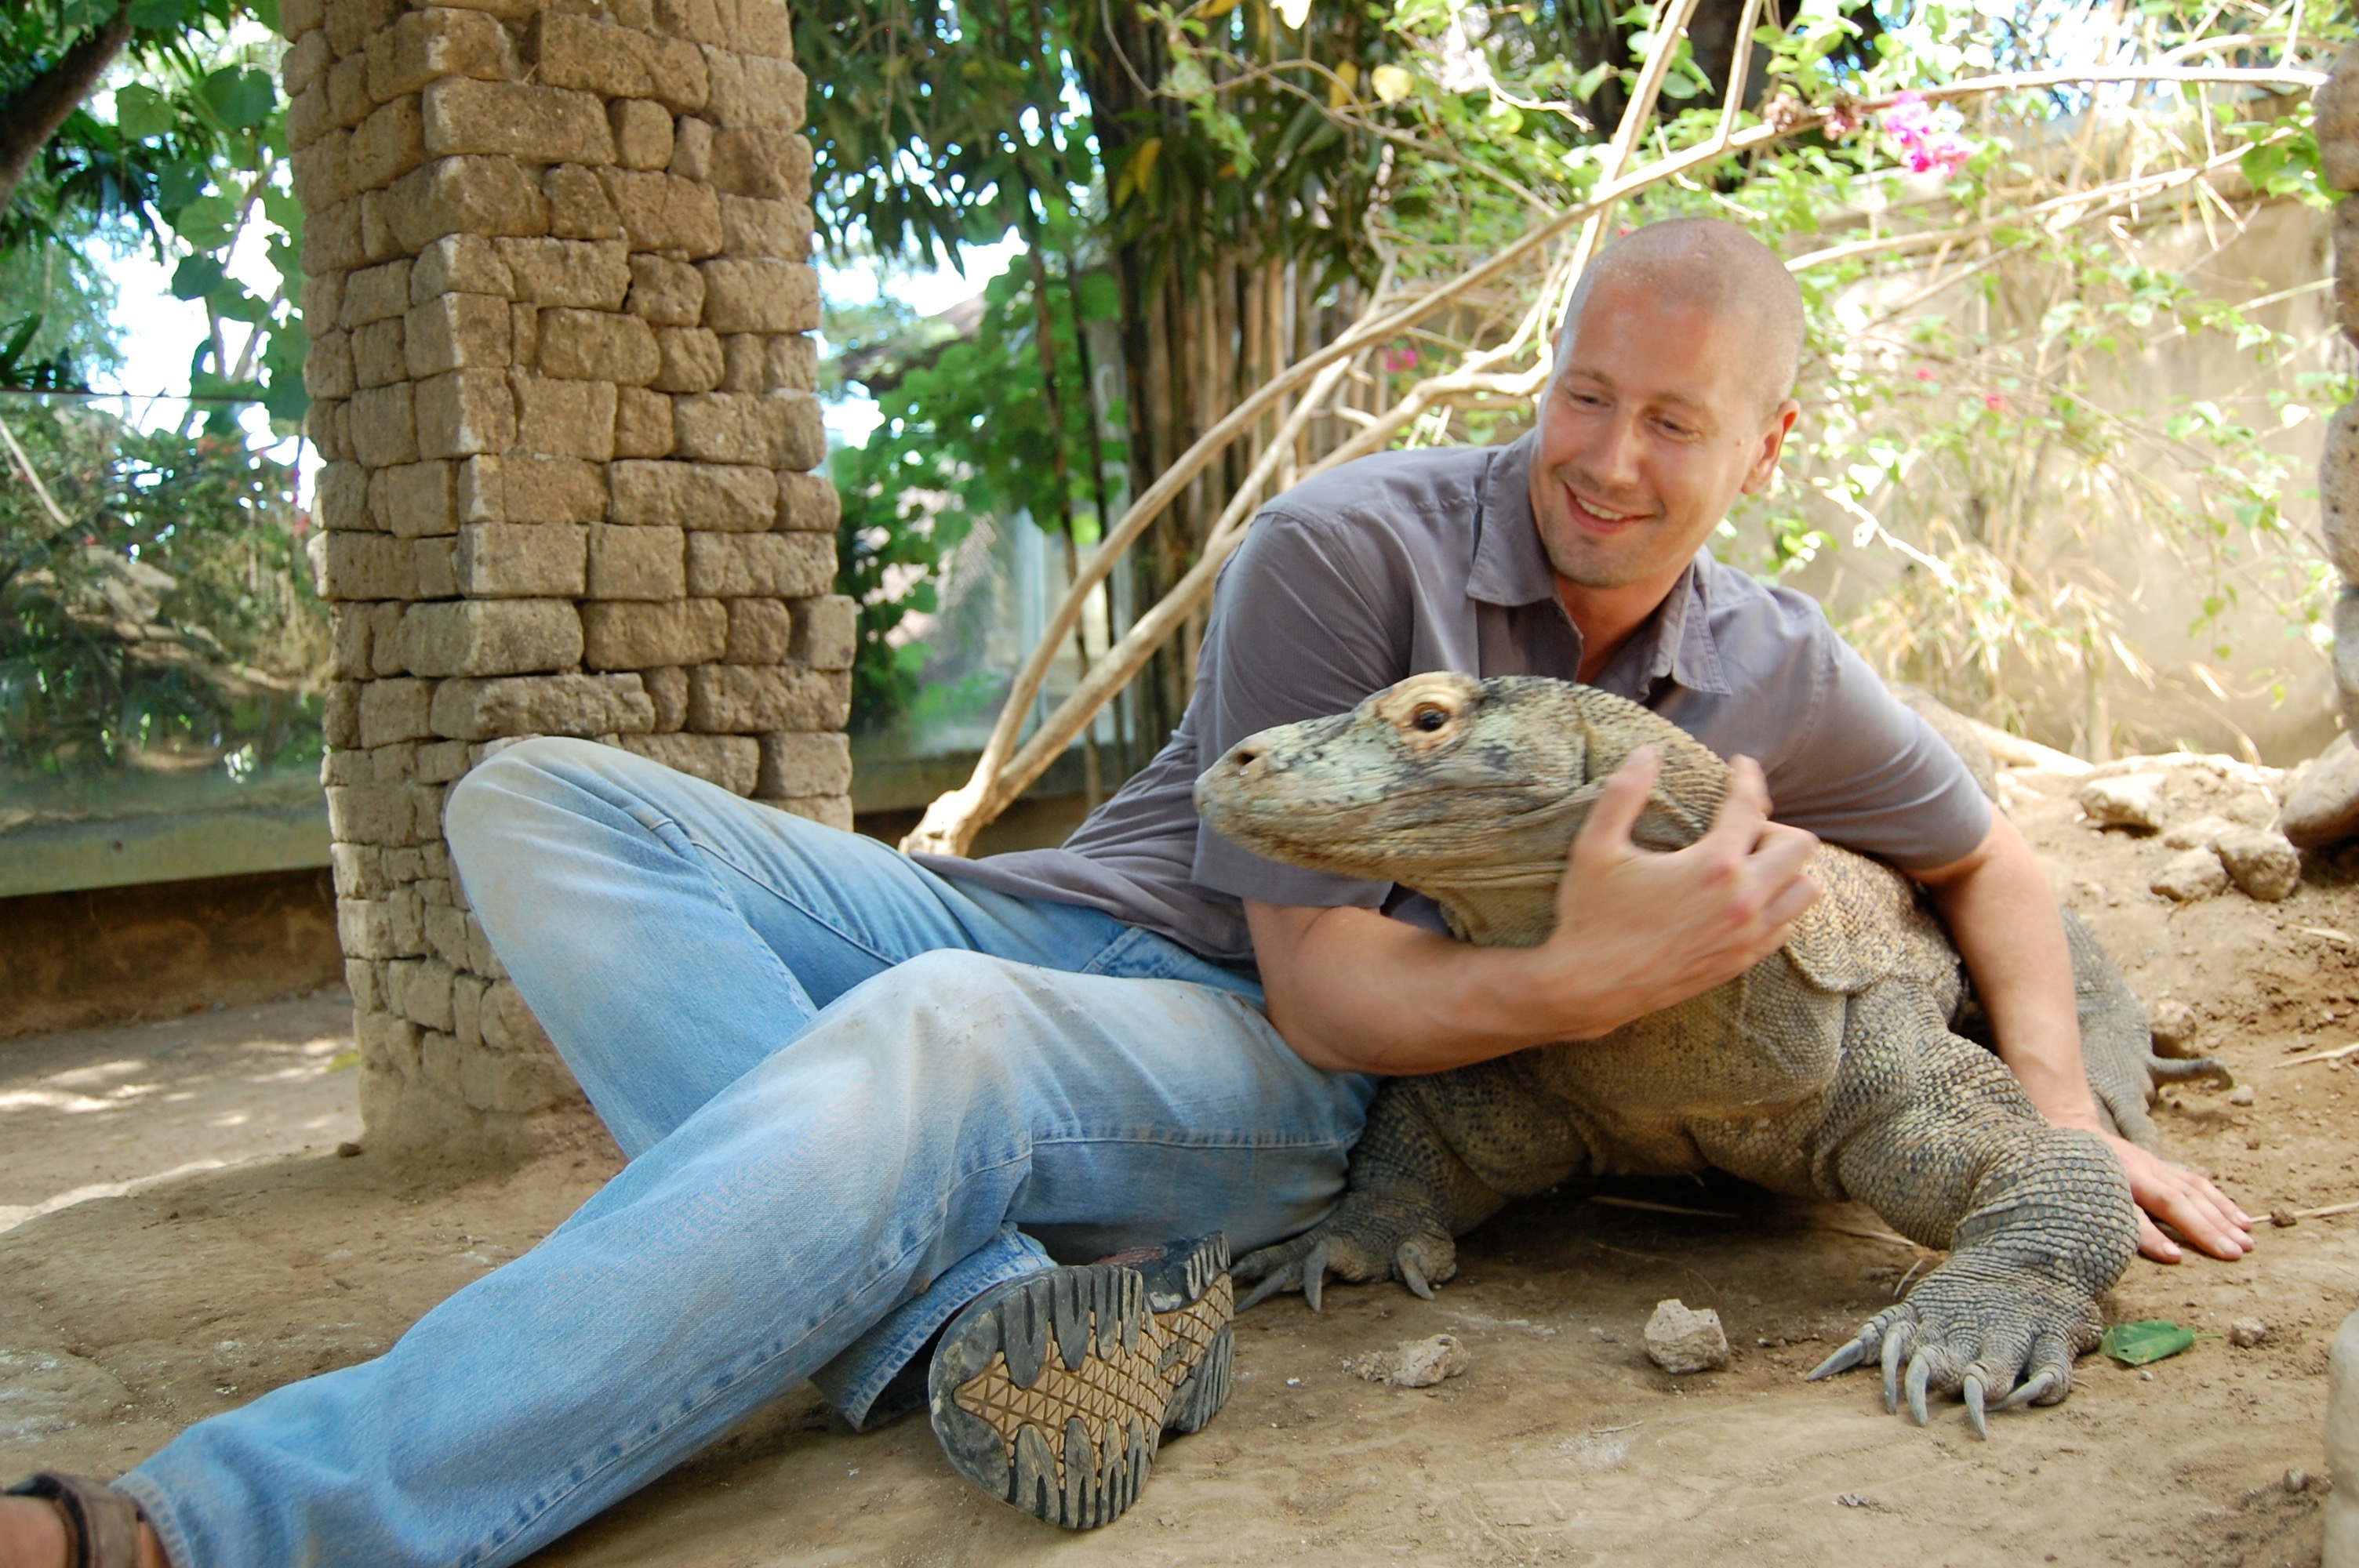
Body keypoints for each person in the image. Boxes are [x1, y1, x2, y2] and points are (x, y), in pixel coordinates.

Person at [0, 218, 2250, 1568]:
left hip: (1262, 1051)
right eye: (1585, 393)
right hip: (1094, 925)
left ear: (1762, 450)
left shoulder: (1767, 670)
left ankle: (234, 1526)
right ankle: (964, 1317)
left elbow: (1989, 868)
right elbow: (1313, 922)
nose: (1609, 454)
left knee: (939, 1051)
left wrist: (2068, 1118)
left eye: (1676, 422)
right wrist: (1577, 977)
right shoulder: (1353, 550)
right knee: (540, 798)